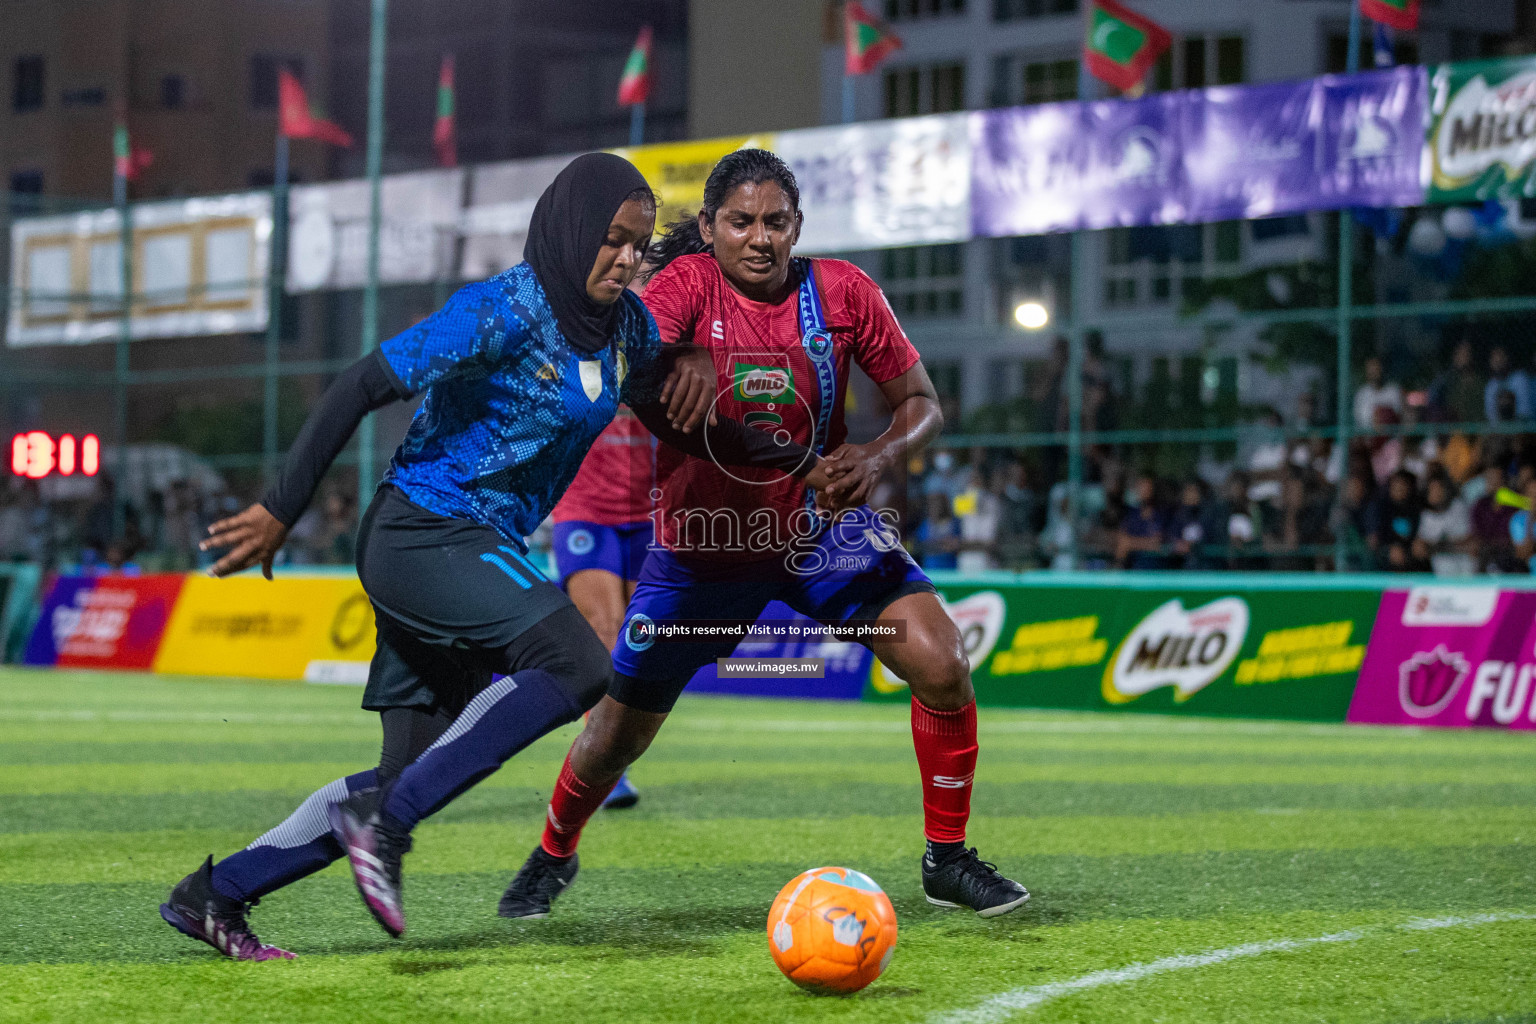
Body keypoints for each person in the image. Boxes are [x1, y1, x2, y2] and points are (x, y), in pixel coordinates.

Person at [158, 153, 832, 960]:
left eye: (639, 246)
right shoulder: (500, 310)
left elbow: (693, 422)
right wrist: (280, 505)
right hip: (421, 533)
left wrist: (800, 460)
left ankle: (215, 894)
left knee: (402, 776)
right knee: (579, 662)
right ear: (571, 229)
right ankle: (389, 826)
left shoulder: (627, 330)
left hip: (474, 551)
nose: (625, 260)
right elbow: (360, 384)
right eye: (611, 240)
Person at [498, 150, 1029, 922]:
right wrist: (675, 362)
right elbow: (627, 362)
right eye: (740, 221)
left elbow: (921, 400)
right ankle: (553, 853)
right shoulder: (680, 286)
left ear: (797, 227)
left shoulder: (846, 293)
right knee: (614, 734)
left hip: (824, 534)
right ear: (709, 227)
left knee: (942, 661)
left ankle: (946, 859)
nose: (759, 238)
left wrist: (877, 455)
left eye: (775, 221)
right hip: (701, 551)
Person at [549, 407, 655, 809]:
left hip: (649, 514)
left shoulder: (659, 350)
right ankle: (607, 766)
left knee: (642, 638)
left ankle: (611, 750)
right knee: (604, 626)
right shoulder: (582, 351)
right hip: (586, 513)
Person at [1484, 345, 1533, 423]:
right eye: (1493, 358)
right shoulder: (1491, 385)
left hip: (1522, 428)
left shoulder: (1520, 378)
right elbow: (1491, 416)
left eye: (1500, 356)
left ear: (1507, 358)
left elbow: (1525, 412)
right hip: (1499, 430)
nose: (1497, 361)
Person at [1354, 356, 1403, 431]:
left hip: (1390, 436)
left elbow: (1398, 415)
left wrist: (1384, 415)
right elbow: (1360, 420)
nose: (1374, 373)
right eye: (1371, 370)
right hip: (1368, 437)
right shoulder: (1362, 394)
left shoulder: (1393, 390)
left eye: (1376, 369)